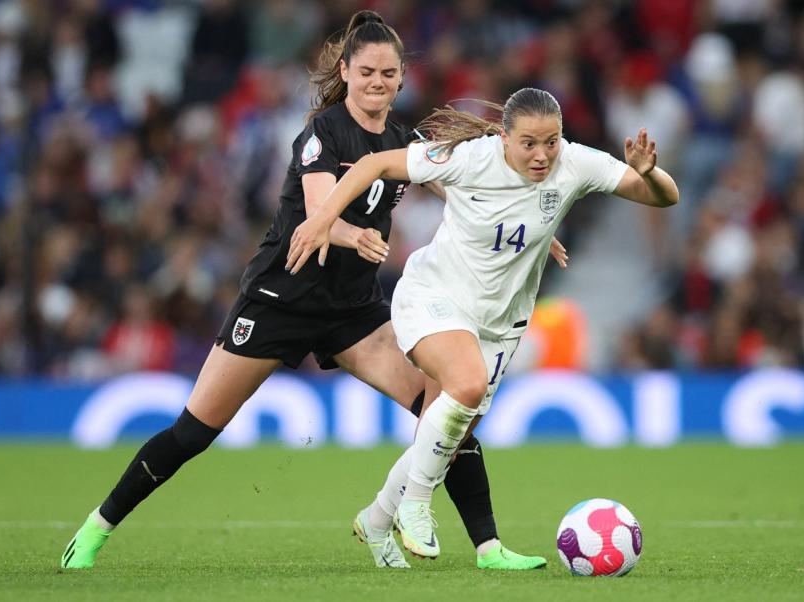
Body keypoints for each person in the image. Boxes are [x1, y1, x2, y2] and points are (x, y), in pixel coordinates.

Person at [61, 12, 555, 572]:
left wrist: (522, 227)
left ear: (400, 80)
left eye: (388, 73)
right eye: (366, 71)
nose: (377, 82)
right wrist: (355, 234)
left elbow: (466, 187)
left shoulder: (402, 141)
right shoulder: (322, 135)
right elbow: (319, 214)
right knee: (194, 431)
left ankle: (485, 547)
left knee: (446, 405)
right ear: (345, 72)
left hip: (352, 310)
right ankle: (97, 526)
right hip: (279, 301)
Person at [287, 87, 679, 559]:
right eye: (529, 143)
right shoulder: (470, 159)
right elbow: (374, 165)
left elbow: (664, 198)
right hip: (434, 297)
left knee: (448, 433)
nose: (542, 155)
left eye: (551, 141)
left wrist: (648, 172)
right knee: (466, 385)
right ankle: (415, 505)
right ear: (504, 138)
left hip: (500, 322)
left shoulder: (575, 163)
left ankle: (375, 520)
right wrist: (321, 220)